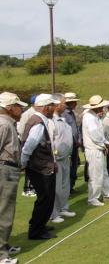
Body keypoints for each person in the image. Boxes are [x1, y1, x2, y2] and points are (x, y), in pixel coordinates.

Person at [21, 94, 60, 240]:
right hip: (40, 167)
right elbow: (29, 145)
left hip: (41, 165)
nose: (54, 108)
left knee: (46, 198)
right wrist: (23, 162)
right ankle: (36, 230)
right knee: (45, 198)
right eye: (52, 106)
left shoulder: (40, 120)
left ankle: (40, 224)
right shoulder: (38, 122)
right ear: (45, 107)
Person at [0, 92, 27, 264]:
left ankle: (4, 244)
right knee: (3, 211)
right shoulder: (3, 125)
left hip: (8, 169)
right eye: (18, 106)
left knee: (6, 209)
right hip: (4, 169)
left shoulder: (8, 123)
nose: (21, 109)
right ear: (9, 108)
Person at [82, 95, 109, 207]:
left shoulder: (95, 116)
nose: (103, 108)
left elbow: (99, 135)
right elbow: (95, 136)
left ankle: (108, 193)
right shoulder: (89, 117)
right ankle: (93, 198)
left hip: (98, 148)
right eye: (101, 106)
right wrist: (106, 144)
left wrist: (104, 145)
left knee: (103, 173)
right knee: (95, 175)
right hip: (93, 149)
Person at [49, 94, 76, 224]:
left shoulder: (63, 120)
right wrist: (54, 157)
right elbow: (52, 141)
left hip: (66, 157)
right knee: (56, 187)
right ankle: (54, 213)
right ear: (56, 104)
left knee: (65, 185)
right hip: (56, 159)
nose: (65, 105)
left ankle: (63, 207)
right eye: (63, 103)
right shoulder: (51, 121)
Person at [17, 95, 37, 198]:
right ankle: (27, 188)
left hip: (35, 144)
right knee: (29, 166)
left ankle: (33, 187)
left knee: (34, 166)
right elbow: (21, 130)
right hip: (27, 142)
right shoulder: (27, 114)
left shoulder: (36, 113)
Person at [62, 92, 81, 194]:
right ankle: (67, 188)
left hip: (75, 145)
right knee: (69, 167)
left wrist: (79, 139)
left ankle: (71, 187)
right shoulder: (64, 114)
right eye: (74, 102)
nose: (76, 104)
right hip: (69, 145)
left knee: (74, 166)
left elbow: (76, 128)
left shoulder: (71, 113)